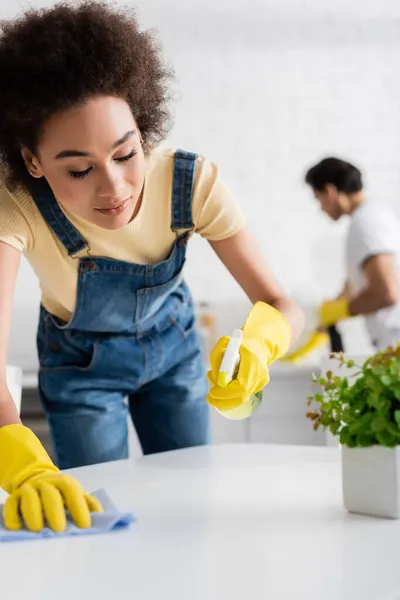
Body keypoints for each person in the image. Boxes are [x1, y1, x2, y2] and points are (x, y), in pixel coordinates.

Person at [0, 1, 304, 533]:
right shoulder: (16, 206)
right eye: (78, 168)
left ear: (142, 129)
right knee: (93, 512)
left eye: (125, 153)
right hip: (80, 371)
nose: (114, 187)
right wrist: (19, 463)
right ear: (32, 162)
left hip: (174, 352)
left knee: (192, 504)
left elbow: (281, 304)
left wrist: (261, 345)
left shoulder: (190, 183)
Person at [287, 156, 400, 362]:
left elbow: (387, 292)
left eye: (318, 198)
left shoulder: (366, 223)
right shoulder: (373, 217)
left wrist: (341, 309)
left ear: (330, 191)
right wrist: (329, 316)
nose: (320, 208)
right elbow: (358, 285)